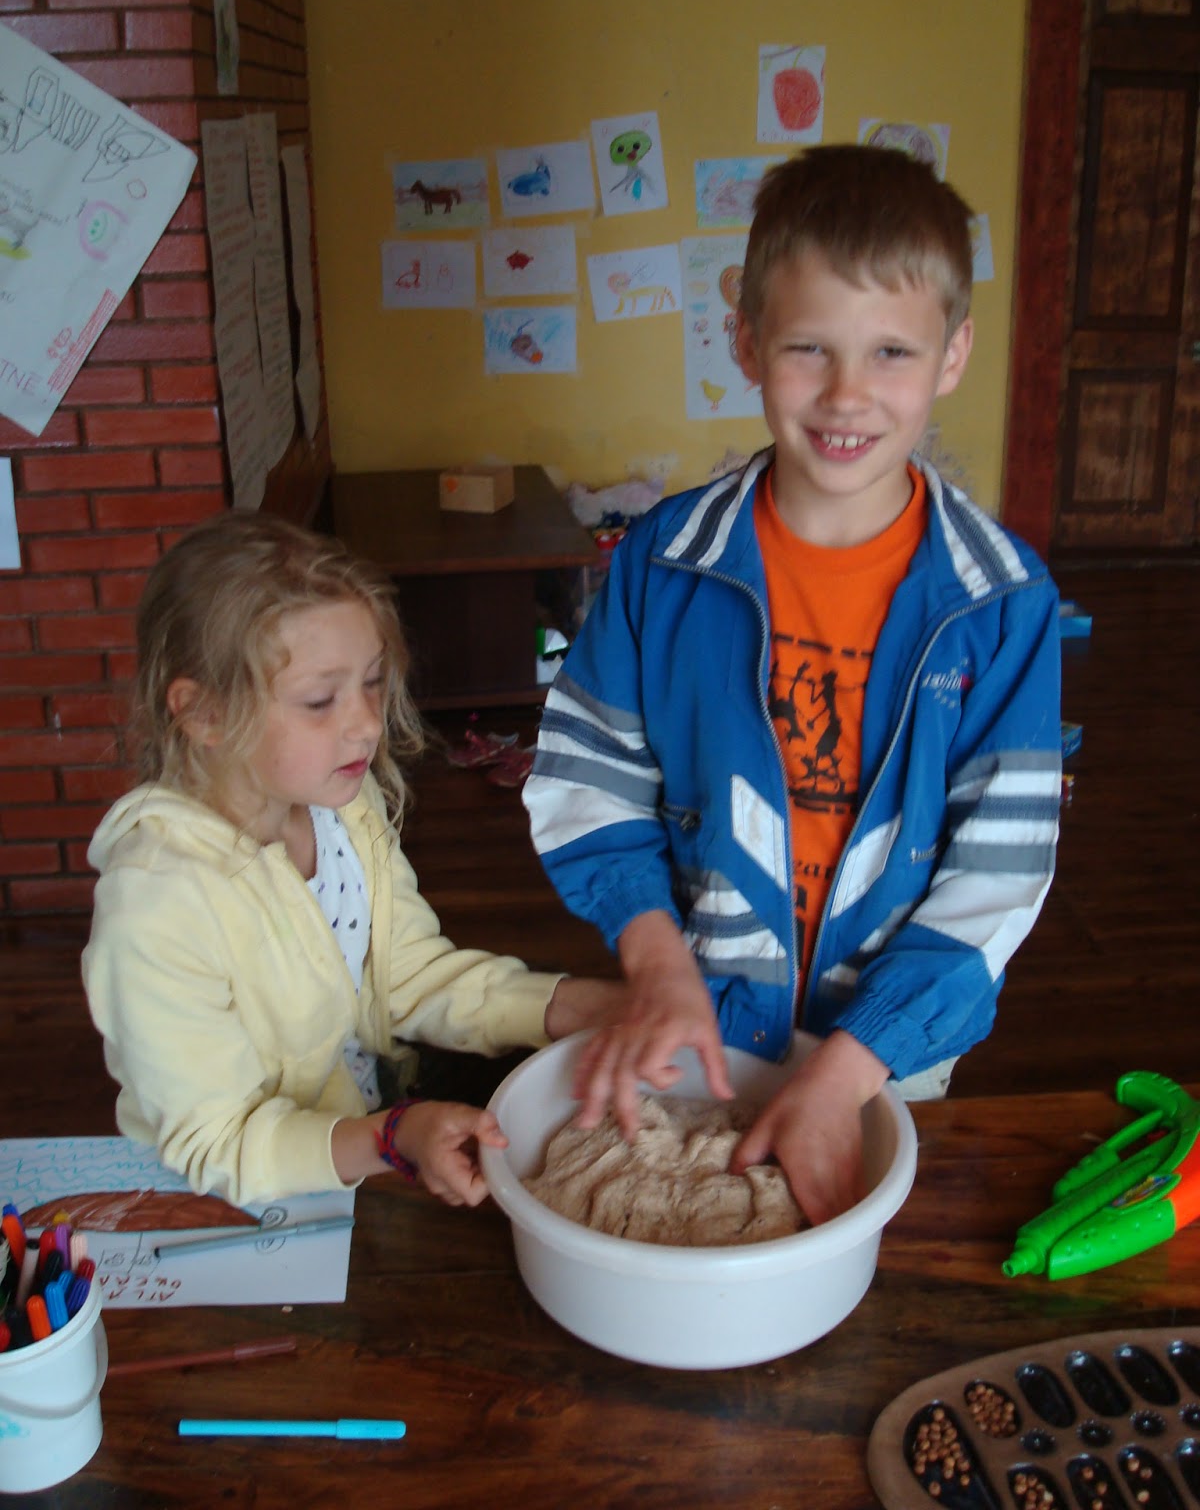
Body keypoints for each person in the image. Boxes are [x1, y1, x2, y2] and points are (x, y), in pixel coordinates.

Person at [523, 144, 1062, 1225]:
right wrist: (655, 961)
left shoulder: (1001, 603)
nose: (847, 394)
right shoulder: (664, 564)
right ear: (746, 343)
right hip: (701, 1018)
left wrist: (847, 1071)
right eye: (809, 347)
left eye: (892, 351)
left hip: (887, 1052)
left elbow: (997, 874)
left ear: (953, 354)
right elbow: (589, 782)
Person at [82, 512, 617, 1208]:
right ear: (204, 714)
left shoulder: (339, 805)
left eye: (372, 681)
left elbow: (404, 977)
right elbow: (219, 1144)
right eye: (319, 700)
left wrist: (572, 1005)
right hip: (246, 1196)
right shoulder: (156, 905)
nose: (367, 722)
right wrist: (389, 1138)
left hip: (367, 1121)